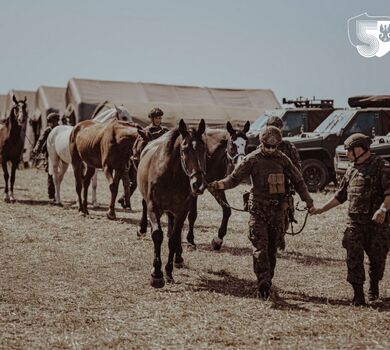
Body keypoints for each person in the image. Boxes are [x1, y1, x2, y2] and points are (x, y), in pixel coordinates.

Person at [209, 126, 314, 299]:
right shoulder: (252, 159)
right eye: (268, 146)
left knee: (272, 249)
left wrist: (308, 201)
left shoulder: (283, 159)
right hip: (258, 211)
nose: (271, 150)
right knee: (260, 248)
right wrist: (219, 184)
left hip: (278, 212)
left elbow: (298, 180)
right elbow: (234, 179)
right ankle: (262, 282)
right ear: (261, 143)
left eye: (274, 147)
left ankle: (268, 279)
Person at [311, 133, 390, 306]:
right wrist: (320, 209)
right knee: (353, 258)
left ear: (360, 149)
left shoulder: (382, 166)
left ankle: (374, 287)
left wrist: (382, 210)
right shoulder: (351, 170)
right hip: (355, 225)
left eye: (349, 150)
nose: (347, 154)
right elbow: (340, 196)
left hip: (377, 225)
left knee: (377, 259)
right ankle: (358, 296)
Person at [118, 107, 169, 209]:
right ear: (152, 119)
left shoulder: (165, 131)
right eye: (156, 118)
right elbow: (136, 147)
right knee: (135, 183)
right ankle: (125, 199)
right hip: (145, 161)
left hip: (161, 162)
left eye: (160, 118)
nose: (158, 120)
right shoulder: (145, 131)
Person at [266, 116, 302, 250]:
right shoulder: (262, 145)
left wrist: (291, 183)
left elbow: (297, 168)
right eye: (272, 128)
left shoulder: (288, 147)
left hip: (283, 188)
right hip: (265, 188)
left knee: (283, 216)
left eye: (277, 128)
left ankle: (279, 240)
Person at [32, 112, 60, 201]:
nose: (49, 123)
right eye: (48, 122)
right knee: (50, 174)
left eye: (51, 122)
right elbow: (41, 140)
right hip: (50, 155)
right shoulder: (48, 130)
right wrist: (36, 148)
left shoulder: (60, 130)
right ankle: (51, 195)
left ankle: (57, 193)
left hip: (60, 155)